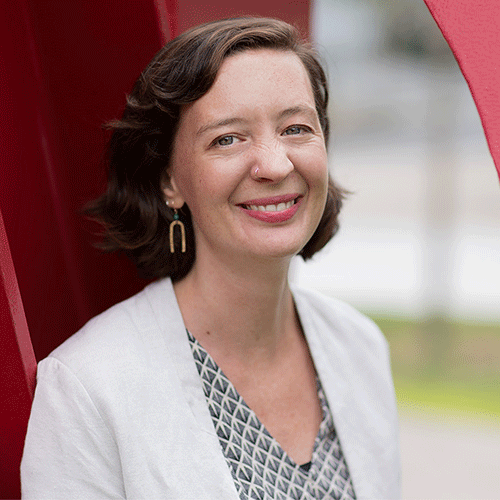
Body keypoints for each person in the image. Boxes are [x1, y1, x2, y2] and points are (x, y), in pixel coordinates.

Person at [21, 17, 400, 499]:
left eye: (296, 128)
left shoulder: (361, 349)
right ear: (169, 181)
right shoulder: (87, 388)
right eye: (228, 138)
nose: (276, 164)